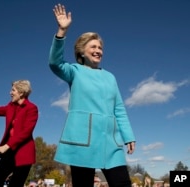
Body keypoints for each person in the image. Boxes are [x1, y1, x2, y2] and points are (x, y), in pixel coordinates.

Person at [49, 4, 136, 187]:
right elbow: (55, 63)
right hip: (82, 140)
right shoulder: (74, 71)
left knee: (122, 183)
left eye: (100, 47)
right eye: (93, 46)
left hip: (110, 141)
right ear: (82, 51)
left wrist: (128, 135)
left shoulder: (110, 77)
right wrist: (62, 32)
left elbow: (119, 108)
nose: (98, 50)